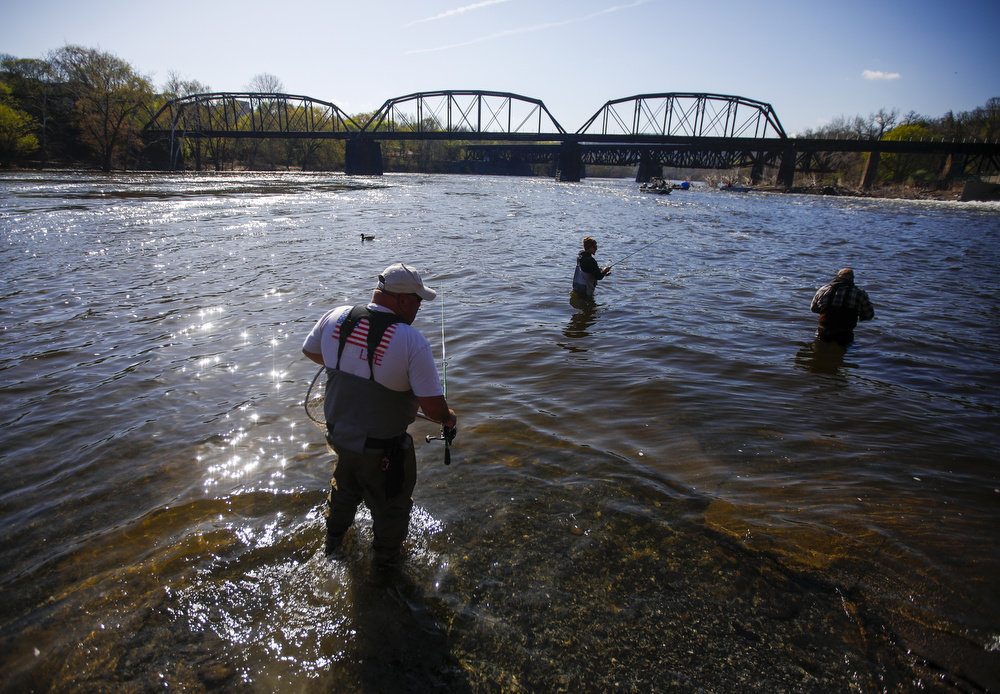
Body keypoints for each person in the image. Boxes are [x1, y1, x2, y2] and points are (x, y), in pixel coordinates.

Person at [302, 262, 457, 565]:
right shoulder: (412, 341)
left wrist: (343, 361)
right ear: (402, 300)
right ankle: (386, 566)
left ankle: (333, 547)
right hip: (383, 449)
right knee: (392, 507)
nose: (420, 308)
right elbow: (434, 409)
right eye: (418, 300)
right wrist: (449, 418)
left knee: (344, 488)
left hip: (340, 437)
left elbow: (310, 350)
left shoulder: (336, 317)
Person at [810, 267, 875, 345]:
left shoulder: (823, 289)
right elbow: (868, 315)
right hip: (845, 334)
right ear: (852, 278)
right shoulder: (859, 293)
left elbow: (814, 309)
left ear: (838, 276)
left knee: (820, 351)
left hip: (823, 331)